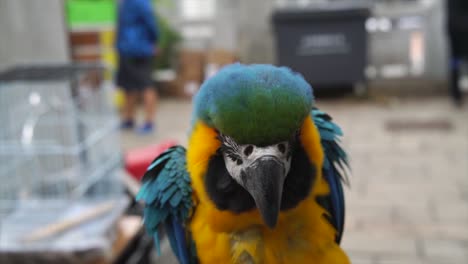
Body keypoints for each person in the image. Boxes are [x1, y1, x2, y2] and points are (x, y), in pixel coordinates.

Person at [116, 0, 159, 133]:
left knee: (146, 85)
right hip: (125, 49)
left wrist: (153, 42)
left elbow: (151, 23)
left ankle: (149, 122)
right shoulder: (124, 3)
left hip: (139, 49)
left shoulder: (141, 2)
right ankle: (128, 119)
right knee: (128, 86)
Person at [447, 0, 468, 106]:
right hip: (462, 31)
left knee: (455, 64)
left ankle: (456, 95)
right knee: (456, 64)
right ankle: (456, 94)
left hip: (454, 31)